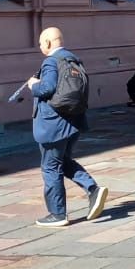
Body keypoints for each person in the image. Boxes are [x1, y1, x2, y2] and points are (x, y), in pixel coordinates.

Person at [30, 27, 107, 228]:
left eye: (40, 43)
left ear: (47, 42)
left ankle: (57, 213)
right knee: (62, 162)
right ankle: (93, 189)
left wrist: (33, 85)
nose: (40, 47)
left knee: (50, 167)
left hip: (53, 125)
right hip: (72, 122)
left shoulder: (50, 62)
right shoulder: (73, 59)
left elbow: (47, 88)